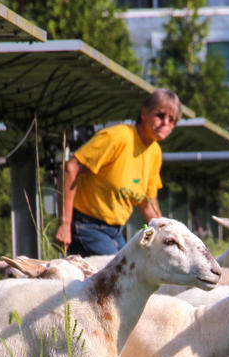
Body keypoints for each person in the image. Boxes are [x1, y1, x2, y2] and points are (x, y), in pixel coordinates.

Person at [54, 88, 181, 256]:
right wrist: (64, 224)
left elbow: (148, 206)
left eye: (172, 120)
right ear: (144, 113)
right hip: (86, 226)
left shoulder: (155, 152)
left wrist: (164, 239)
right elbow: (70, 168)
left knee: (137, 269)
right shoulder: (118, 137)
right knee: (118, 276)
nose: (165, 123)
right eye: (160, 115)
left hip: (116, 232)